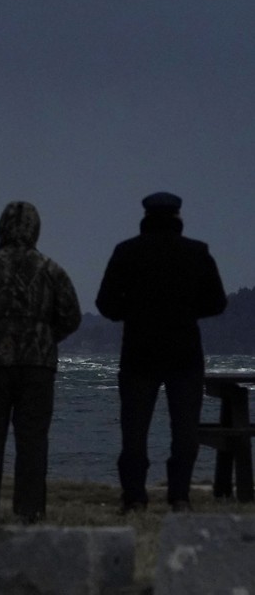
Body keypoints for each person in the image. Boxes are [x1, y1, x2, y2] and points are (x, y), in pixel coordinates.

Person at [96, 192, 226, 513]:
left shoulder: (126, 252)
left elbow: (105, 303)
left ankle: (135, 497)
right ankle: (180, 495)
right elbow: (217, 302)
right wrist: (186, 311)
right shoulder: (197, 252)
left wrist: (133, 312)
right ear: (177, 216)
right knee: (185, 431)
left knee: (134, 430)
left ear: (146, 216)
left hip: (139, 353)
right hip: (184, 353)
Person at [0, 201, 81, 524]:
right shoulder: (52, 271)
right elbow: (71, 316)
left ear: (1, 228)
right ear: (36, 231)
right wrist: (46, 335)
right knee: (33, 440)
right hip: (37, 366)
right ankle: (30, 508)